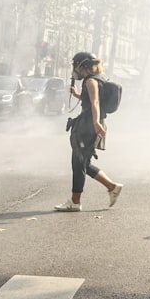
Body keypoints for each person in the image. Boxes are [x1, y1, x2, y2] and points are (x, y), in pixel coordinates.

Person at [54, 52, 122, 212]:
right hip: (90, 123)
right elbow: (90, 100)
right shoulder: (98, 79)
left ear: (82, 65)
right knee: (83, 162)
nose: (74, 69)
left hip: (88, 125)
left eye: (75, 65)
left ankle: (75, 202)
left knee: (78, 163)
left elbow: (95, 102)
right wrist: (77, 94)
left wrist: (96, 122)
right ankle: (112, 187)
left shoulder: (90, 81)